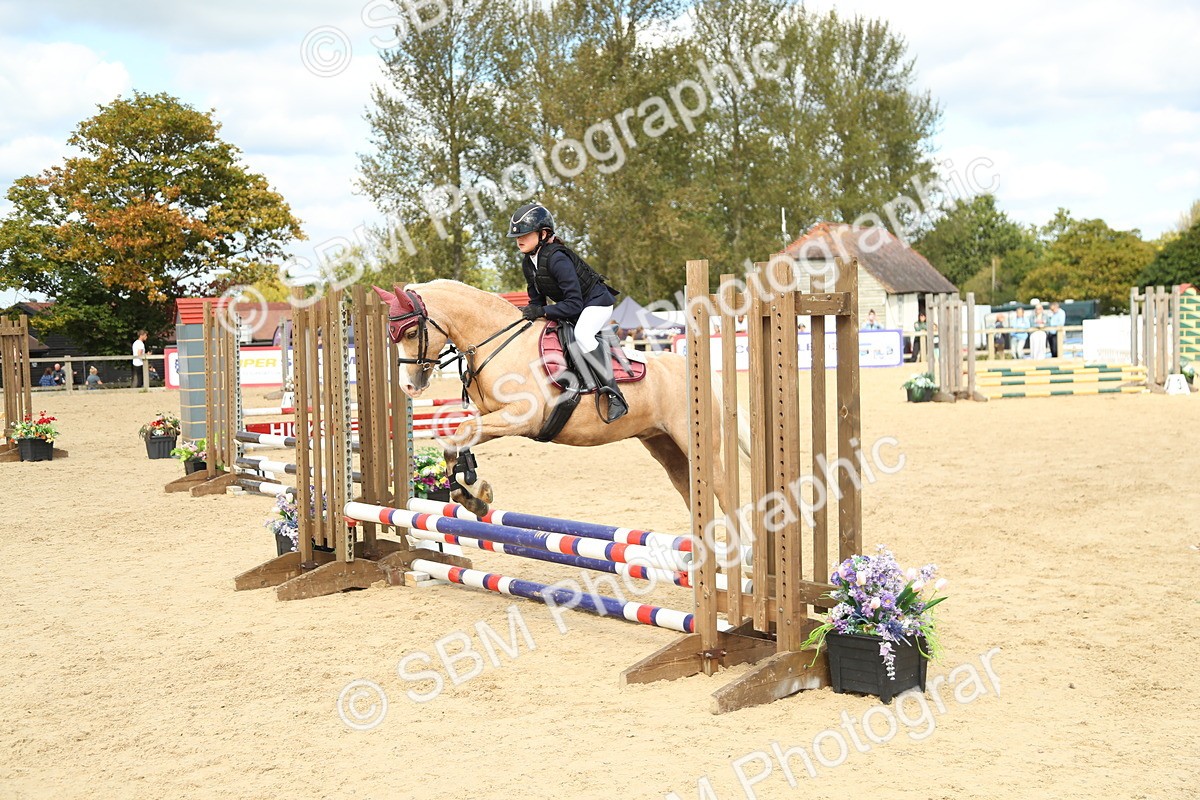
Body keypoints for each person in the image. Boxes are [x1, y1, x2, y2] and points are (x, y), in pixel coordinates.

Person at [509, 203, 627, 422]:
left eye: (525, 234)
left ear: (543, 234)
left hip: (595, 303)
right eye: (517, 236)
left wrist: (541, 310)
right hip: (575, 306)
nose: (519, 240)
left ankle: (615, 396)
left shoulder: (557, 258)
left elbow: (573, 304)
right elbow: (536, 301)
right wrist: (532, 313)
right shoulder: (529, 263)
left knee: (582, 335)